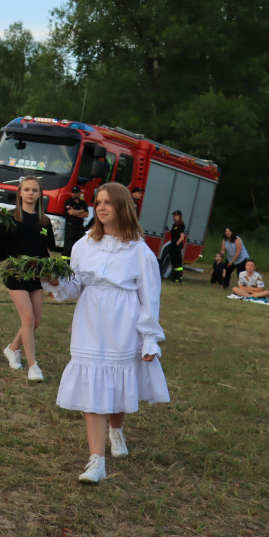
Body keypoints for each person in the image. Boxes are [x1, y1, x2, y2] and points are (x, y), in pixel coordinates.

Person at [42, 182, 170, 484]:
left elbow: (150, 297)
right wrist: (53, 280)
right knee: (93, 386)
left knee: (115, 382)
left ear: (122, 207)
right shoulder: (83, 244)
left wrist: (149, 337)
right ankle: (96, 460)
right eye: (98, 202)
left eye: (108, 203)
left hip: (122, 323)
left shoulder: (140, 250)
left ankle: (116, 430)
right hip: (89, 320)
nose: (101, 207)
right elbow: (74, 286)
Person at [0, 176, 55, 383]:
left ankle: (13, 349)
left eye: (35, 190)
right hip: (14, 272)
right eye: (27, 189)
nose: (31, 193)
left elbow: (47, 250)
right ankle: (33, 366)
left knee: (36, 322)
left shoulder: (45, 221)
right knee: (29, 319)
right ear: (20, 193)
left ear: (40, 194)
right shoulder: (10, 217)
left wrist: (51, 277)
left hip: (36, 275)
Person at [62, 186, 88, 260]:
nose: (73, 194)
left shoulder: (83, 203)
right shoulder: (68, 202)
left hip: (79, 227)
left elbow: (86, 214)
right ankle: (65, 262)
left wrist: (75, 213)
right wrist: (81, 211)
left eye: (76, 193)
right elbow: (70, 212)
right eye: (72, 192)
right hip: (70, 227)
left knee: (79, 245)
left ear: (79, 193)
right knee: (68, 246)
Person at [168, 210, 187, 282]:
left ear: (180, 217)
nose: (175, 217)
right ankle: (174, 276)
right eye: (174, 215)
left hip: (177, 246)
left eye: (177, 215)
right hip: (173, 245)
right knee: (173, 261)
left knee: (177, 262)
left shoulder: (181, 225)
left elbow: (182, 237)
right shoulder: (174, 225)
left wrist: (176, 244)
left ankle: (179, 277)